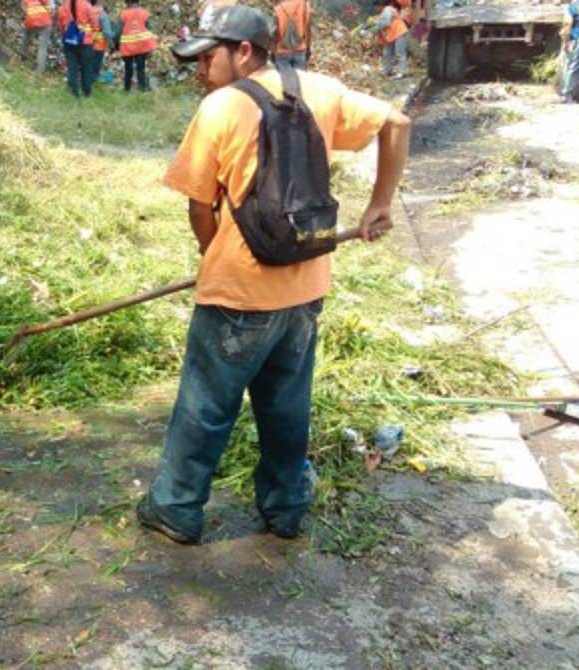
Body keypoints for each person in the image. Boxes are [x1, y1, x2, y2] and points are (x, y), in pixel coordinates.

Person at [135, 4, 411, 544]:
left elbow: (199, 206)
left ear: (243, 51)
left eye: (207, 56)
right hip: (306, 284)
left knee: (205, 408)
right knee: (287, 406)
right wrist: (380, 205)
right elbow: (396, 121)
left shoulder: (220, 107)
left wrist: (215, 256)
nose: (200, 69)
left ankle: (175, 508)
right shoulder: (320, 89)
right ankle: (285, 509)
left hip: (238, 294)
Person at [59, 0, 101, 96]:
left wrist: (65, 37)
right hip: (85, 41)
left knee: (72, 68)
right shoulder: (86, 5)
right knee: (86, 67)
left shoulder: (63, 7)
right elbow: (95, 23)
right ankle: (86, 92)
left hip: (69, 42)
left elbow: (61, 26)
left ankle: (74, 92)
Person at [119, 0, 158, 91]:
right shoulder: (145, 13)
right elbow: (149, 28)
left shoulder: (124, 14)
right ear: (138, 2)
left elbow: (118, 30)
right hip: (142, 45)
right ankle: (142, 88)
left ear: (128, 2)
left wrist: (114, 43)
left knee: (128, 69)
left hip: (127, 46)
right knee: (141, 68)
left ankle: (126, 89)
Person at [375, 0, 410, 78]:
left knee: (400, 53)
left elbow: (386, 23)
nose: (375, 9)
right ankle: (388, 71)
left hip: (400, 33)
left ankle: (401, 72)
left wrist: (377, 27)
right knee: (387, 53)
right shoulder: (382, 13)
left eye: (376, 7)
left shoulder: (387, 9)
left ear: (380, 6)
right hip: (392, 36)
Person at [273, 0, 311, 70]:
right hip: (300, 51)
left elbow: (276, 33)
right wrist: (308, 48)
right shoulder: (304, 5)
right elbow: (307, 29)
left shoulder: (278, 8)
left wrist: (273, 50)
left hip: (282, 53)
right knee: (300, 79)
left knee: (285, 80)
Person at [20, 0, 56, 72]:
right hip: (45, 21)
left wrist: (30, 12)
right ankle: (40, 71)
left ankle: (22, 57)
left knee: (26, 36)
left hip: (31, 19)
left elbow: (23, 5)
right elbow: (52, 10)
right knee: (42, 47)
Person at [90, 0, 117, 83]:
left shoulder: (86, 11)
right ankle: (93, 80)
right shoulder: (102, 14)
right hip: (99, 44)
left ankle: (87, 79)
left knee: (88, 63)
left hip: (87, 42)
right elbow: (107, 32)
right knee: (96, 64)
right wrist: (112, 44)